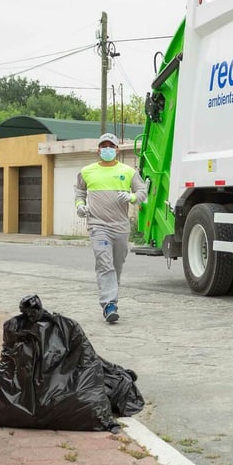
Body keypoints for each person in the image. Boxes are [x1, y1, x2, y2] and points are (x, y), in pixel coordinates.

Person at [74, 133, 147, 323]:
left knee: (116, 267)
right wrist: (80, 207)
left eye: (111, 146)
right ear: (98, 149)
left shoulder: (128, 171)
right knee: (104, 264)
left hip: (121, 227)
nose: (107, 149)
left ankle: (111, 299)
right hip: (98, 225)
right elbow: (79, 192)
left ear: (117, 149)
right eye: (103, 146)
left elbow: (142, 191)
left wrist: (131, 197)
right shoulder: (87, 171)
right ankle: (109, 304)